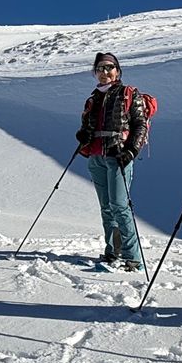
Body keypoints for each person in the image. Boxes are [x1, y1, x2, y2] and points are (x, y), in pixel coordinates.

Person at [74, 52, 150, 272]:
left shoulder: (128, 93)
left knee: (119, 205)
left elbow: (140, 124)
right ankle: (112, 251)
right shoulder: (93, 98)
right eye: (100, 68)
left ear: (118, 71)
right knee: (106, 207)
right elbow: (87, 126)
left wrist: (131, 151)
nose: (104, 72)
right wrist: (83, 135)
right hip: (96, 156)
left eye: (109, 68)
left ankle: (132, 256)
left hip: (118, 156)